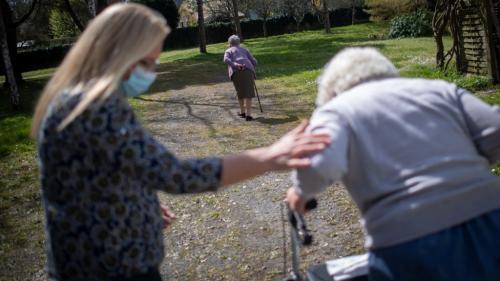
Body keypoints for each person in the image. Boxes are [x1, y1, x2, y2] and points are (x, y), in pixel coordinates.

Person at [31, 4, 330, 281]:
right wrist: (269, 156)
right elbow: (175, 174)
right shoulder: (97, 109)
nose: (152, 71)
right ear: (117, 52)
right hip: (109, 267)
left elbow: (98, 174)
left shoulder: (74, 99)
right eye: (146, 62)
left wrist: (133, 200)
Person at [286, 47, 500, 281]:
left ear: (331, 90)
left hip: (407, 240)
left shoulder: (335, 111)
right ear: (387, 72)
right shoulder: (440, 90)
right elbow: (495, 133)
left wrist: (301, 192)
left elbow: (320, 165)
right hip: (491, 216)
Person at [223, 35, 258, 121]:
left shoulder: (228, 50)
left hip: (236, 72)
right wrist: (253, 62)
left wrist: (235, 65)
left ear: (230, 43)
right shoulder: (244, 49)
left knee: (240, 92)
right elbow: (254, 62)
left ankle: (243, 112)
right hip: (248, 71)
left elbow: (226, 59)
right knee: (248, 92)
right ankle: (248, 115)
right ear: (239, 42)